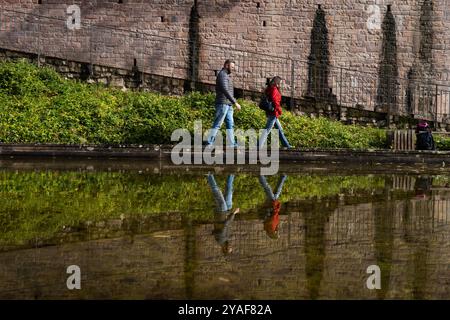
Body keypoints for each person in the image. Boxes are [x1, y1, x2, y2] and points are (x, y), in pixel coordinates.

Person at [205, 60, 242, 148]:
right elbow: (225, 90)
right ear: (226, 65)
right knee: (218, 123)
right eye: (232, 67)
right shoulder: (222, 75)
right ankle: (209, 142)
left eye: (233, 67)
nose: (233, 69)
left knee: (230, 124)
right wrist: (235, 102)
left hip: (228, 104)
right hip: (223, 103)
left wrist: (232, 102)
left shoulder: (226, 75)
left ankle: (231, 143)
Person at [207, 174, 240, 255]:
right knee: (229, 191)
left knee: (217, 191)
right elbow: (228, 224)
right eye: (231, 248)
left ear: (225, 249)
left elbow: (225, 224)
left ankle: (209, 175)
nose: (231, 247)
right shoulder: (226, 239)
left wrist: (233, 213)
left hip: (221, 212)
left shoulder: (221, 239)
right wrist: (231, 214)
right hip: (226, 211)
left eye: (229, 249)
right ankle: (231, 174)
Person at [259, 76, 292, 149]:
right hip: (274, 112)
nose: (280, 85)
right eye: (280, 83)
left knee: (279, 130)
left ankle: (286, 145)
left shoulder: (269, 88)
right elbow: (275, 101)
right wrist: (279, 110)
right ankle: (259, 146)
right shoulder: (274, 89)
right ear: (277, 83)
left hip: (271, 112)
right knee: (267, 130)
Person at [258, 175, 288, 239]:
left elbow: (273, 217)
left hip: (272, 206)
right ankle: (283, 176)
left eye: (277, 234)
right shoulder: (270, 228)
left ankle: (261, 177)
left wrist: (275, 209)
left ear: (274, 233)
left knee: (268, 188)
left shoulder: (271, 227)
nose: (278, 232)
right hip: (273, 206)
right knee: (277, 191)